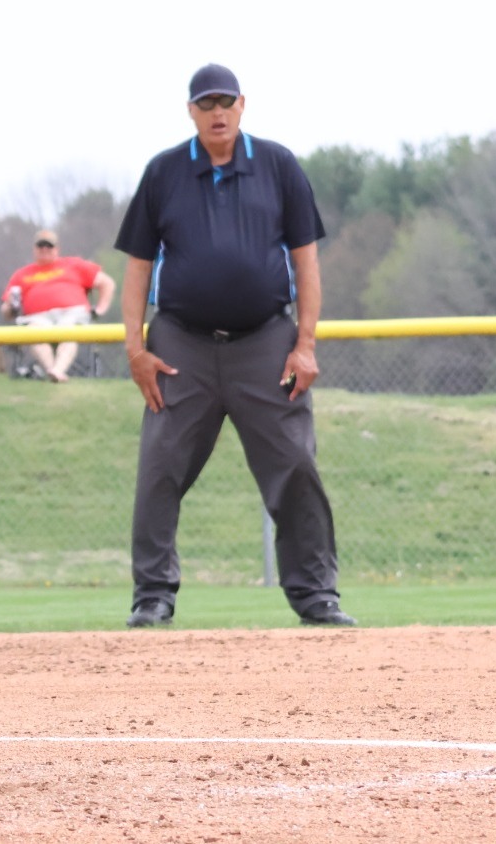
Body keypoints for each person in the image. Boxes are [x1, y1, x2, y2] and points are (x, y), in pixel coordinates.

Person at [115, 64, 352, 629]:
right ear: (191, 111)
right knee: (160, 467)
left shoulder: (278, 165)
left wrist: (306, 343)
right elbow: (137, 268)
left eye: (226, 101)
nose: (217, 112)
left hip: (266, 341)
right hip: (181, 345)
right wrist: (134, 349)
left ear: (243, 105)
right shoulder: (164, 172)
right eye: (205, 104)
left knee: (295, 465)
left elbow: (306, 260)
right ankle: (153, 595)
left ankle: (316, 594)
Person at [1, 229, 116, 382]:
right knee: (34, 331)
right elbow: (6, 311)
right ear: (34, 249)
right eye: (40, 246)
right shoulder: (21, 274)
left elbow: (107, 283)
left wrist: (100, 309)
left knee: (68, 329)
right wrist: (10, 307)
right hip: (37, 318)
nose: (44, 249)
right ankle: (53, 371)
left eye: (49, 246)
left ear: (57, 249)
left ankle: (57, 370)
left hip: (71, 314)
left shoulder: (74, 264)